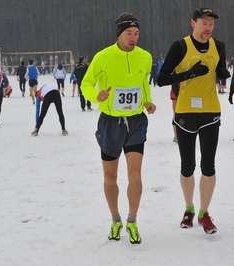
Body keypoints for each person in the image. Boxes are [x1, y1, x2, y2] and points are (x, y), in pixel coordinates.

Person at [81, 12, 156, 244]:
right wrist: (97, 95)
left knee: (135, 175)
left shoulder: (145, 57)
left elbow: (143, 83)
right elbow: (86, 84)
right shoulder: (103, 57)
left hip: (135, 121)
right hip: (110, 123)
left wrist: (147, 100)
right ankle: (115, 219)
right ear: (119, 34)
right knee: (110, 177)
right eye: (129, 33)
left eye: (136, 34)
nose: (133, 38)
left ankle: (132, 221)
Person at [157, 7, 230, 234]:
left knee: (208, 166)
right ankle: (189, 208)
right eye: (204, 23)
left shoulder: (218, 46)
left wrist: (223, 73)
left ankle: (203, 213)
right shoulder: (180, 47)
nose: (208, 27)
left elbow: (219, 70)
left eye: (211, 24)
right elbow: (161, 79)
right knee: (187, 166)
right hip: (185, 113)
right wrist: (188, 74)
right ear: (193, 23)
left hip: (210, 112)